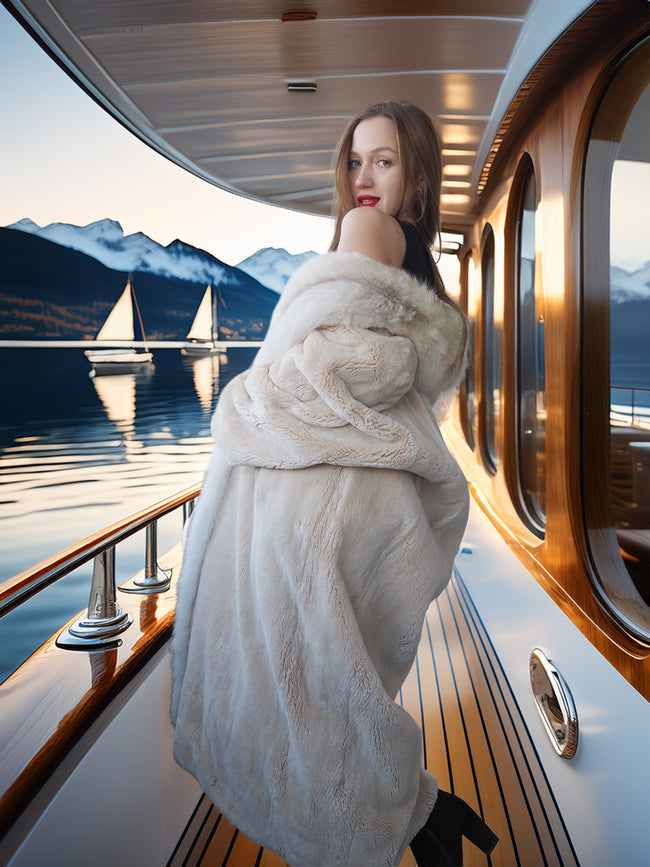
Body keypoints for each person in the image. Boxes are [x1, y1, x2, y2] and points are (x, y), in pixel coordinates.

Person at [171, 101, 498, 867]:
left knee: (304, 685)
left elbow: (315, 364)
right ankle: (419, 814)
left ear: (417, 172)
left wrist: (250, 402)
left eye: (383, 160)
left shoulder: (366, 231)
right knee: (336, 677)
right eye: (354, 160)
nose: (363, 178)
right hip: (358, 495)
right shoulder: (418, 256)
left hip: (313, 495)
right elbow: (382, 366)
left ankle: (401, 816)